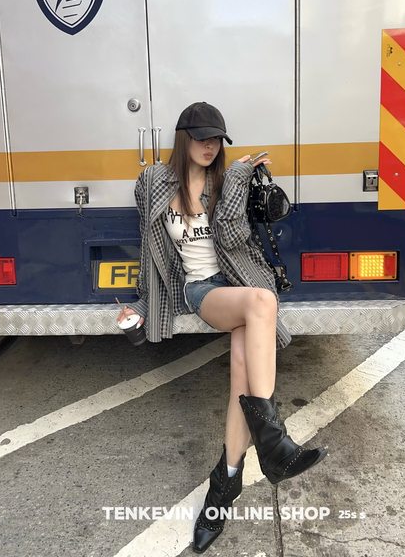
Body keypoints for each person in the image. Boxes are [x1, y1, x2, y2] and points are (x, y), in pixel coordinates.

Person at [117, 101, 328, 553]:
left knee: (241, 379)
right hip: (202, 290)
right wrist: (141, 302)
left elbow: (232, 237)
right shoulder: (154, 183)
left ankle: (225, 483)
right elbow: (149, 249)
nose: (210, 146)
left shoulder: (224, 181)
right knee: (262, 302)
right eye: (202, 138)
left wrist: (235, 182)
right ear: (184, 139)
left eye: (217, 139)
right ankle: (274, 444)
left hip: (237, 280)